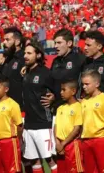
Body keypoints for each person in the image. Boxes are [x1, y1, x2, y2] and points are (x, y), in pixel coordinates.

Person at [22, 41, 58, 173]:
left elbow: (60, 91)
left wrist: (54, 97)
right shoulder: (25, 72)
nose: (25, 56)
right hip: (29, 124)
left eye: (29, 53)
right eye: (25, 53)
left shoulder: (46, 73)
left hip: (44, 123)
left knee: (50, 159)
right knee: (34, 160)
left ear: (38, 55)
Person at [80, 69, 104, 173]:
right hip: (86, 140)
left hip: (101, 140)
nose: (84, 87)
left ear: (97, 84)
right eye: (83, 84)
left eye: (87, 84)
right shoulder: (84, 101)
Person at [0, 75, 23, 173]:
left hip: (9, 141)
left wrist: (18, 140)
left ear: (6, 89)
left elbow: (19, 126)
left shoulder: (13, 105)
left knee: (12, 169)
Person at [54, 80, 83, 173]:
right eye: (60, 90)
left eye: (63, 90)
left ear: (73, 91)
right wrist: (57, 143)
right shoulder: (60, 108)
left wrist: (62, 144)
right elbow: (56, 126)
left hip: (73, 145)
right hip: (60, 145)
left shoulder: (79, 107)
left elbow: (77, 128)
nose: (61, 92)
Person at [0, 27, 25, 110]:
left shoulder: (24, 58)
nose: (4, 42)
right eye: (4, 40)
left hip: (20, 109)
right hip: (5, 108)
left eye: (7, 40)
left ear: (17, 42)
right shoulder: (6, 58)